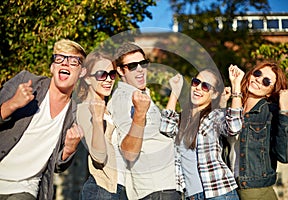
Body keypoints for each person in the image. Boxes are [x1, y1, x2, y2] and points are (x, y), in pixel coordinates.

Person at [0, 39, 86, 200]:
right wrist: (12, 104)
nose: (65, 64)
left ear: (82, 72)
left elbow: (58, 166)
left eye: (74, 61)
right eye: (60, 58)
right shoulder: (26, 81)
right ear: (52, 67)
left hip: (25, 187)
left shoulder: (77, 113)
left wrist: (69, 149)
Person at [107, 42, 180, 200]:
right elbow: (129, 151)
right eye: (132, 65)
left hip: (166, 185)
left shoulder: (140, 94)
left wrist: (174, 93)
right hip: (156, 190)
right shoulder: (124, 98)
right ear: (120, 70)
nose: (140, 69)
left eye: (143, 63)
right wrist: (139, 114)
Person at [160, 65, 244, 200]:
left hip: (219, 193)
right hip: (192, 196)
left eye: (206, 86)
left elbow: (234, 127)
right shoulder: (182, 119)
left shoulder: (215, 116)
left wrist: (236, 86)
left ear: (215, 94)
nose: (198, 88)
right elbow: (166, 127)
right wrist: (175, 92)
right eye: (196, 82)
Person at [227, 62, 288, 200]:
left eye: (266, 81)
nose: (258, 79)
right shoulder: (233, 107)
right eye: (257, 73)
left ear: (270, 92)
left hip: (256, 191)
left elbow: (284, 155)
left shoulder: (271, 113)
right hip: (229, 188)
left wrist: (285, 111)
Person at [76, 49, 128, 200]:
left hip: (121, 190)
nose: (108, 79)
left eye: (112, 74)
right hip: (102, 190)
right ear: (87, 78)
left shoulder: (110, 110)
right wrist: (98, 119)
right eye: (101, 74)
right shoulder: (84, 109)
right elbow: (98, 156)